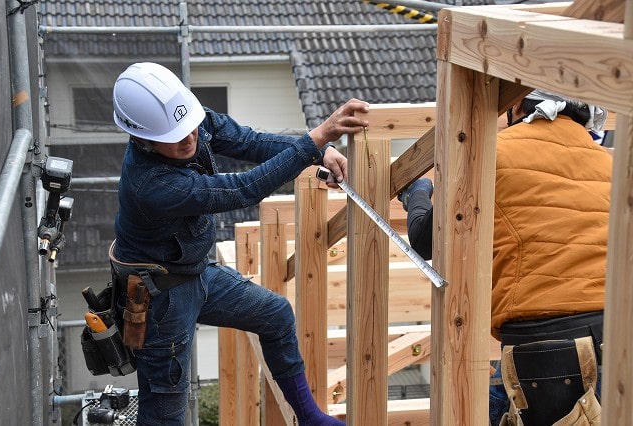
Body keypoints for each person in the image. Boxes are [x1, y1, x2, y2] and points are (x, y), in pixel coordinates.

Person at [110, 62, 369, 425]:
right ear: (142, 138)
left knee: (276, 315)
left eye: (189, 128)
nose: (188, 139)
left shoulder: (190, 122)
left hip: (195, 274)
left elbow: (249, 141)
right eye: (173, 137)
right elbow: (242, 189)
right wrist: (316, 139)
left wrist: (316, 152)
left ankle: (310, 418)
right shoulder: (150, 186)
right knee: (166, 413)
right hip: (159, 298)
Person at [398, 90, 612, 426]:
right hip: (616, 331)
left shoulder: (492, 154)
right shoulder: (609, 162)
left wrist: (418, 192)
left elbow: (427, 239)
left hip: (547, 343)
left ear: (515, 104)